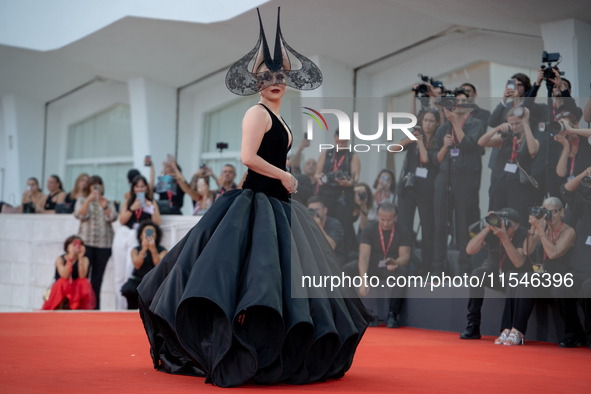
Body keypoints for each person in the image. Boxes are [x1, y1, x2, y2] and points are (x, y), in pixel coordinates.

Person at [136, 8, 371, 387]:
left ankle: (270, 348)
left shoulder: (281, 120)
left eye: (280, 76)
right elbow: (247, 159)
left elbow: (260, 161)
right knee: (249, 278)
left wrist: (282, 177)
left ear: (288, 81)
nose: (275, 81)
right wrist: (284, 175)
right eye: (267, 76)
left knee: (279, 282)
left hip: (278, 206)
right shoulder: (256, 114)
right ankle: (233, 347)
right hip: (259, 202)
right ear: (257, 83)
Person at [499, 197, 575, 345]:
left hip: (560, 277)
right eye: (545, 212)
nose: (549, 216)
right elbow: (527, 251)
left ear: (561, 212)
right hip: (543, 277)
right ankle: (509, 328)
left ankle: (518, 330)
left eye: (553, 212)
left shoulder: (569, 231)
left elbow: (553, 253)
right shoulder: (543, 229)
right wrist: (534, 228)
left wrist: (540, 231)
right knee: (516, 276)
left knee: (526, 278)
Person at [432, 90, 486, 275]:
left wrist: (455, 121)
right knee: (440, 224)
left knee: (464, 224)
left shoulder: (476, 123)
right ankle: (438, 269)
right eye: (457, 101)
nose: (460, 104)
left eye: (464, 101)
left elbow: (469, 144)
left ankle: (465, 268)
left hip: (466, 179)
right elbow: (436, 159)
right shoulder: (442, 128)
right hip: (444, 177)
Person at [459, 208, 528, 340]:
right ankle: (473, 325)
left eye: (508, 223)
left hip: (514, 277)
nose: (504, 226)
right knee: (477, 275)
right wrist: (487, 229)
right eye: (503, 222)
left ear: (517, 225)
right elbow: (469, 250)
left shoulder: (522, 233)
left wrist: (504, 237)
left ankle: (509, 329)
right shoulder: (493, 231)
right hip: (495, 274)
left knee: (512, 276)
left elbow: (518, 262)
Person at [352, 202, 412, 328]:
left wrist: (396, 262)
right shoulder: (369, 230)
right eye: (382, 219)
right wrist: (363, 279)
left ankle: (392, 314)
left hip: (391, 266)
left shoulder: (403, 231)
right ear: (377, 216)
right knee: (347, 268)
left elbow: (405, 256)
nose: (385, 223)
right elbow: (364, 256)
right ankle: (349, 310)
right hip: (372, 266)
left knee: (402, 272)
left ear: (395, 217)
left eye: (389, 220)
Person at [396, 109, 440, 275]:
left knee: (428, 231)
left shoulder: (438, 140)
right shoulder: (413, 138)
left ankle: (428, 270)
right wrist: (410, 139)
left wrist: (420, 141)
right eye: (425, 120)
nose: (427, 124)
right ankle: (404, 267)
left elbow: (426, 158)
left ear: (436, 124)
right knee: (404, 228)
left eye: (431, 121)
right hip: (408, 188)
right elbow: (393, 149)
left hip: (427, 190)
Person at [478, 107, 539, 225]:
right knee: (494, 216)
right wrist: (497, 129)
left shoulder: (531, 139)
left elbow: (532, 151)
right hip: (499, 182)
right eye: (511, 124)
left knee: (518, 218)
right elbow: (481, 142)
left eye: (518, 123)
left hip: (519, 186)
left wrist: (526, 124)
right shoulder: (504, 138)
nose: (515, 126)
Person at [554, 168, 591, 348]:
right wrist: (584, 174)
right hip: (578, 271)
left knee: (588, 287)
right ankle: (574, 333)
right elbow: (566, 190)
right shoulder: (586, 207)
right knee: (561, 286)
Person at [112, 174, 161, 309]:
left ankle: (128, 306)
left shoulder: (152, 202)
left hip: (139, 237)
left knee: (129, 269)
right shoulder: (128, 202)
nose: (140, 189)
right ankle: (119, 306)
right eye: (137, 187)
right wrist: (132, 207)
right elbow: (122, 221)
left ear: (146, 188)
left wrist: (151, 208)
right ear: (133, 189)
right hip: (126, 234)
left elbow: (158, 222)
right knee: (119, 273)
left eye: (142, 187)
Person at [74, 175, 118, 309]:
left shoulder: (108, 202)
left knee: (97, 279)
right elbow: (80, 215)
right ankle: (81, 306)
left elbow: (113, 217)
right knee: (83, 276)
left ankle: (95, 308)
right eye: (93, 185)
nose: (96, 187)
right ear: (89, 187)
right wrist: (89, 199)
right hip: (86, 244)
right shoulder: (82, 200)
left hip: (104, 245)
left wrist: (104, 206)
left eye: (99, 184)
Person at [315, 130, 361, 257]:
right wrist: (320, 178)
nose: (340, 144)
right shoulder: (327, 153)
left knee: (344, 225)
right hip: (326, 195)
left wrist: (348, 182)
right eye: (338, 142)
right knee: (327, 222)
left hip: (343, 196)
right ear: (334, 139)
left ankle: (344, 255)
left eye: (343, 142)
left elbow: (355, 178)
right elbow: (317, 174)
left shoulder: (352, 156)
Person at [121, 221, 167, 309]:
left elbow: (159, 266)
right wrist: (143, 250)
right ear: (141, 235)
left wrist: (153, 250)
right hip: (138, 280)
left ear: (156, 235)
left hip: (154, 280)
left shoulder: (162, 250)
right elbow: (137, 265)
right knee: (128, 289)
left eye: (152, 232)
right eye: (146, 232)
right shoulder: (135, 250)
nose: (148, 235)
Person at [42, 235, 96, 310]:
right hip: (62, 288)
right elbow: (64, 275)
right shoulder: (60, 259)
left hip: (76, 289)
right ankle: (59, 305)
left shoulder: (84, 259)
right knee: (63, 281)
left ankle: (79, 307)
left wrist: (80, 258)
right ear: (67, 247)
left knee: (84, 282)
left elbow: (82, 276)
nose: (76, 247)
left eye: (78, 244)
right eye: (73, 244)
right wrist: (70, 258)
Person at [307, 196, 345, 267]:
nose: (314, 213)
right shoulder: (308, 225)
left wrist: (319, 226)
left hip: (334, 264)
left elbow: (331, 247)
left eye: (317, 209)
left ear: (325, 210)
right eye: (311, 210)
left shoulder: (335, 224)